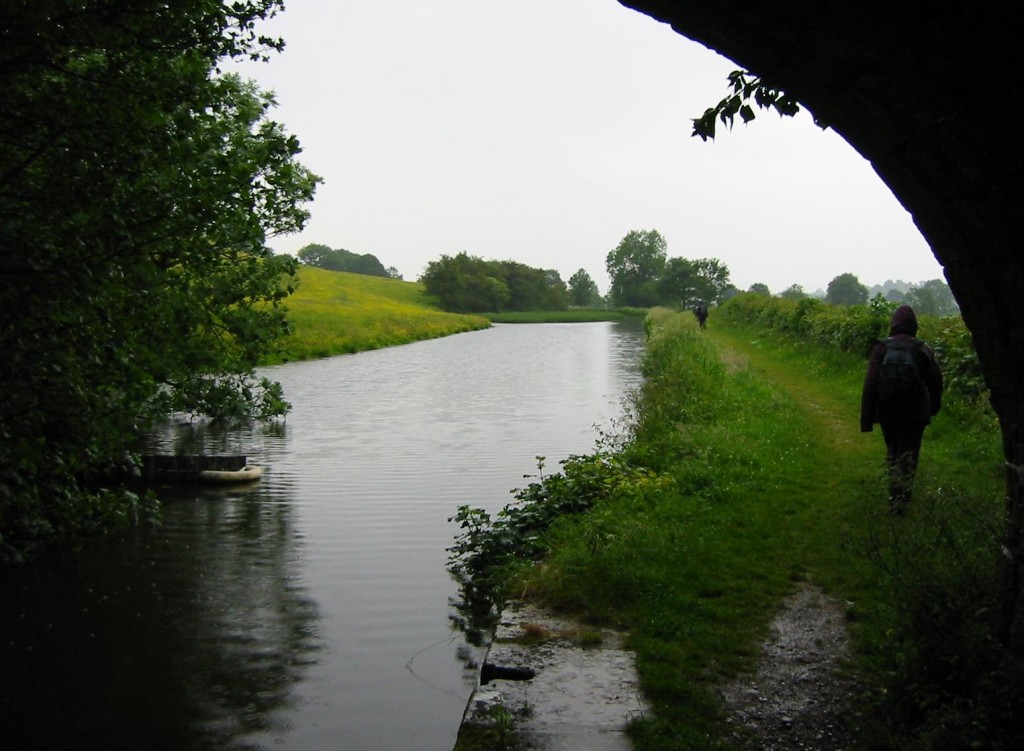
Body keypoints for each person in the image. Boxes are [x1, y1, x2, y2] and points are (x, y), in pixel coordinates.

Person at [860, 305, 943, 513]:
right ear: (914, 325)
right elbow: (936, 381)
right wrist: (933, 408)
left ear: (893, 324)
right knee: (909, 453)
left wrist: (867, 418)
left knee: (893, 451)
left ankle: (893, 493)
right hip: (915, 412)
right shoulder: (922, 349)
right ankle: (902, 499)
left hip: (887, 410)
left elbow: (870, 383)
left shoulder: (881, 348)